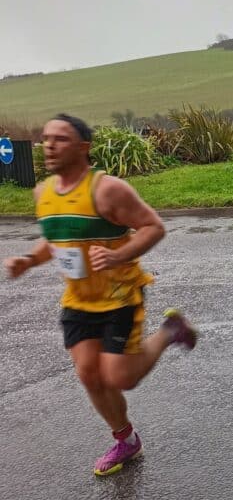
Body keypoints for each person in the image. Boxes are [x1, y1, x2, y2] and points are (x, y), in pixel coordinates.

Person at [4, 114, 197, 477]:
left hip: (120, 295)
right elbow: (56, 237)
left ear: (83, 147)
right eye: (46, 138)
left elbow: (153, 227)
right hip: (78, 301)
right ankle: (126, 440)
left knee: (121, 377)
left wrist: (119, 255)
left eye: (60, 139)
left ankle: (171, 330)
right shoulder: (43, 193)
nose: (49, 145)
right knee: (90, 375)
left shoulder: (107, 190)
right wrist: (29, 259)